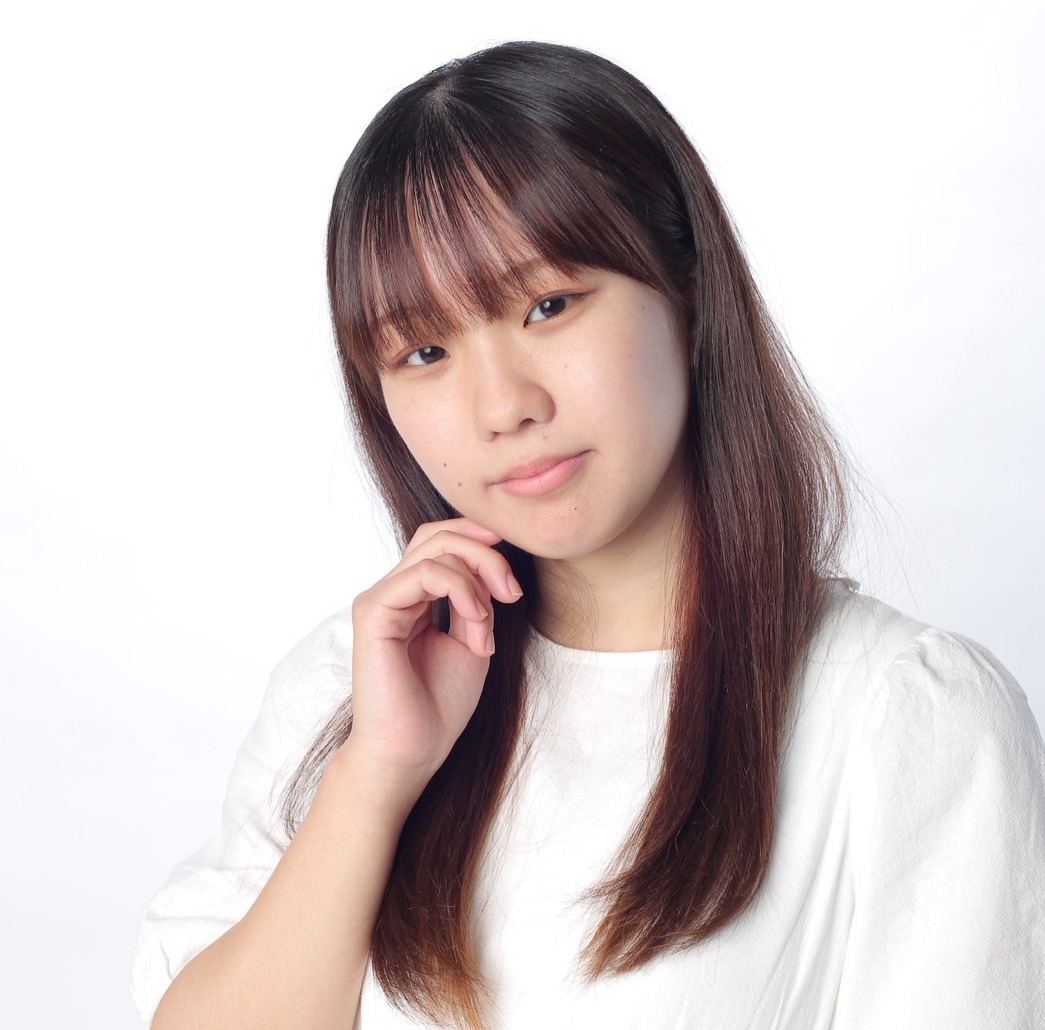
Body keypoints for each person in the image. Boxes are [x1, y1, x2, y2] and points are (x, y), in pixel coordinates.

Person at [132, 41, 1045, 1030]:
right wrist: (379, 775)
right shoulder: (354, 688)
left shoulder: (903, 721)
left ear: (686, 292)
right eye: (425, 350)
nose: (502, 406)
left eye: (548, 305)